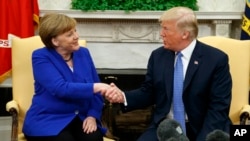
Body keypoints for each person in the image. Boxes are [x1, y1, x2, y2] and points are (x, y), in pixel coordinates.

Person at [104, 6, 232, 141]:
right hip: (165, 127)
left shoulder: (216, 60)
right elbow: (149, 92)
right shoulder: (158, 56)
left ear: (184, 34)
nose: (161, 33)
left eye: (166, 29)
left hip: (202, 127)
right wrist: (122, 96)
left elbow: (218, 108)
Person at [22, 13, 110, 141]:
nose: (76, 36)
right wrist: (97, 87)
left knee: (94, 138)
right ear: (55, 41)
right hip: (48, 120)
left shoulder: (83, 53)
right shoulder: (40, 57)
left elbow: (96, 92)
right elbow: (60, 88)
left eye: (75, 31)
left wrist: (92, 115)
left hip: (80, 117)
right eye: (69, 34)